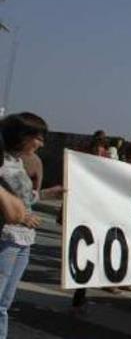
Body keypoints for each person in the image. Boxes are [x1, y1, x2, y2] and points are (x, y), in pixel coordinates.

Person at [0, 113, 63, 339]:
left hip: (22, 240)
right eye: (38, 137)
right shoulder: (3, 163)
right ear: (21, 136)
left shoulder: (17, 162)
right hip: (6, 239)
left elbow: (24, 198)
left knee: (4, 302)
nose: (41, 143)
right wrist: (19, 216)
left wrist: (46, 194)